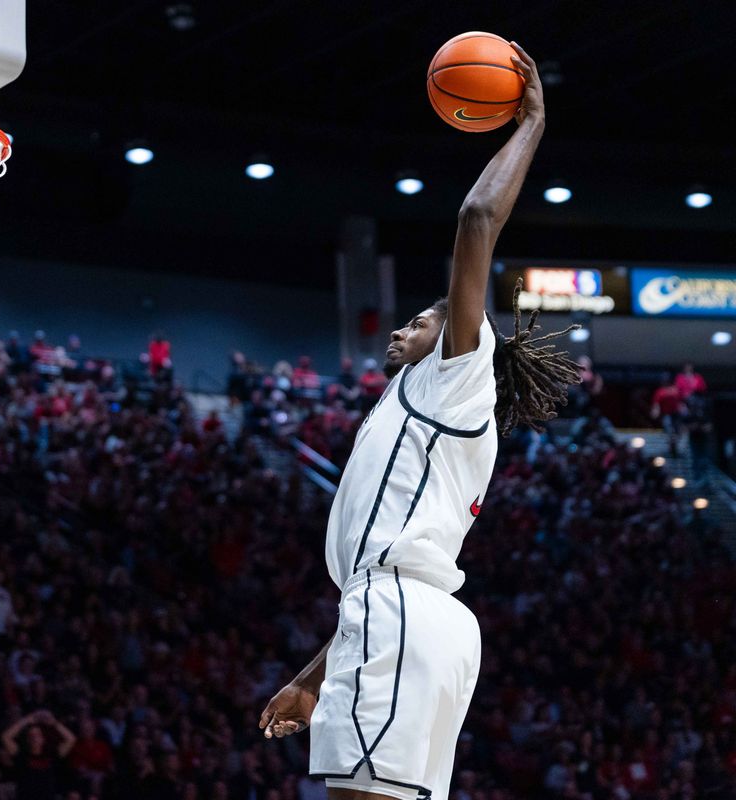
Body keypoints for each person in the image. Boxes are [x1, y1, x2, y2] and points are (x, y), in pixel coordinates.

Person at [260, 45, 580, 800]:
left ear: (461, 340)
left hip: (400, 618)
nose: (401, 331)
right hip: (407, 618)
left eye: (420, 321)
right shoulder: (419, 409)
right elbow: (385, 565)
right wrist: (317, 675)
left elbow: (475, 218)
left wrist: (530, 122)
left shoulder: (459, 378)